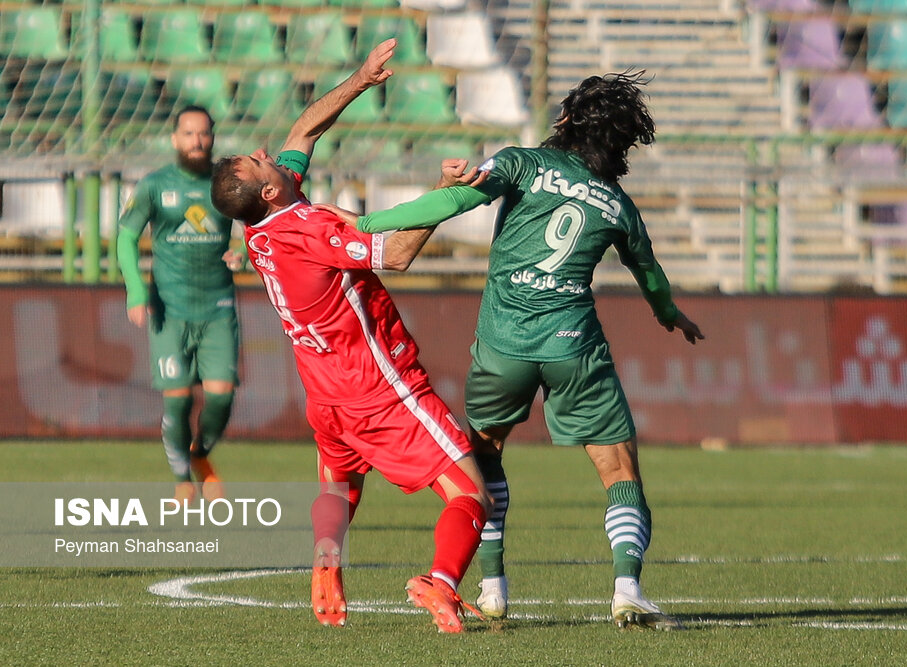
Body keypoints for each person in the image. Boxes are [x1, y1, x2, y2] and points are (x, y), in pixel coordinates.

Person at [329, 70, 705, 630]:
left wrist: (365, 225)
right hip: (573, 345)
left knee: (484, 461)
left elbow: (455, 200)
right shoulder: (618, 205)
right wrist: (670, 315)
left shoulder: (522, 163)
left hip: (503, 345)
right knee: (618, 468)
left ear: (569, 120)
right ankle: (627, 588)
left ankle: (493, 585)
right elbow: (650, 275)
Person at [209, 39, 492, 634]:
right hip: (380, 387)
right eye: (261, 162)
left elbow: (304, 130)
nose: (267, 152)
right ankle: (440, 584)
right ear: (268, 191)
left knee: (341, 480)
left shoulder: (263, 230)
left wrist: (362, 79)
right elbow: (396, 254)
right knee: (472, 493)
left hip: (325, 393)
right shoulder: (311, 228)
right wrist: (445, 196)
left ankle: (325, 564)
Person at [117, 105, 244, 503]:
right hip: (169, 309)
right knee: (179, 398)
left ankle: (199, 454)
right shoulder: (154, 186)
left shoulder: (227, 185)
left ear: (213, 137)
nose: (197, 141)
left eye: (204, 133)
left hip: (217, 306)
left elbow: (251, 228)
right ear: (175, 139)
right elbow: (124, 238)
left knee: (221, 396)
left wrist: (241, 250)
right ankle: (182, 477)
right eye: (188, 134)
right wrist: (136, 291)